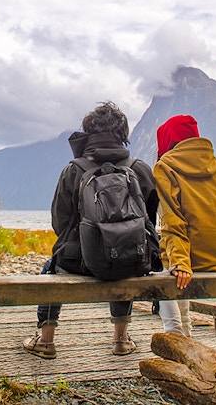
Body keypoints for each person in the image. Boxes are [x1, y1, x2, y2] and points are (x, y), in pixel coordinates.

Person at [22, 101, 160, 359]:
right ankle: (121, 339)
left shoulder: (74, 169)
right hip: (130, 260)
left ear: (88, 133)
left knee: (51, 268)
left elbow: (59, 222)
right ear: (123, 134)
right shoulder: (139, 168)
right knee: (124, 254)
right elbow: (148, 220)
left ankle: (46, 340)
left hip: (79, 262)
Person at [154, 114, 216, 335]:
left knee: (162, 264)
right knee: (174, 258)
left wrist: (180, 262)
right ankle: (187, 332)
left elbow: (172, 221)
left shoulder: (165, 167)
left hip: (190, 261)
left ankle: (174, 332)